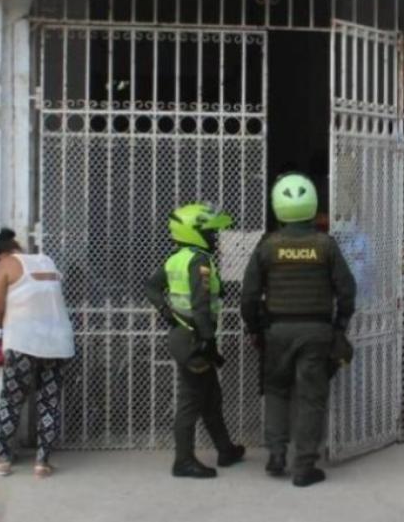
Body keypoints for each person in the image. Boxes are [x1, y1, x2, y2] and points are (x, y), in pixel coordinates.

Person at [242, 173, 356, 487]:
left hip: (276, 331)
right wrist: (340, 325)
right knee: (310, 398)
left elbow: (249, 294)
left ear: (277, 206)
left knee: (276, 391)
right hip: (316, 331)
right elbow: (347, 290)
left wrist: (254, 328)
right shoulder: (325, 245)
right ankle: (304, 466)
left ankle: (276, 455)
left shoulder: (268, 245)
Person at [143, 203, 246, 478]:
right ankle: (183, 461)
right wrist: (209, 341)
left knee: (211, 397)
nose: (214, 238)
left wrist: (167, 313)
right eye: (210, 232)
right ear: (194, 233)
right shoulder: (199, 261)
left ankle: (226, 449)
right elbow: (201, 306)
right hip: (194, 339)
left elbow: (152, 286)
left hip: (184, 335)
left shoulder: (176, 258)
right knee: (191, 400)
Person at [0, 228, 76, 478]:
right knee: (49, 401)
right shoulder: (47, 260)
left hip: (24, 342)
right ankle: (42, 464)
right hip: (58, 342)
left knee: (11, 401)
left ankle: (1, 461)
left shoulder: (6, 264)